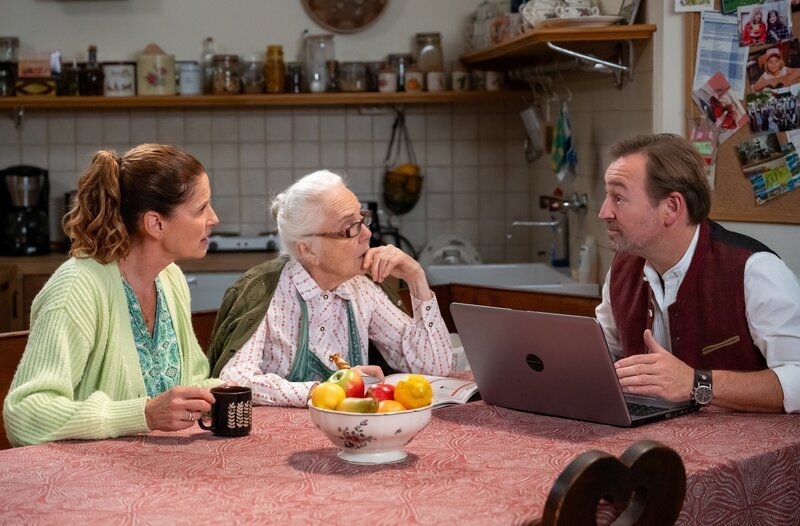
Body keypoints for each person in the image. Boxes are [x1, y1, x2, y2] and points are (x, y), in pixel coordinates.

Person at [4, 144, 222, 446]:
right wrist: (143, 414)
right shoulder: (77, 287)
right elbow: (25, 414)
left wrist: (227, 389)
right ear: (156, 224)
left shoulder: (170, 278)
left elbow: (189, 383)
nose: (214, 218)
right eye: (201, 209)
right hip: (87, 482)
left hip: (152, 474)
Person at [208, 170, 452, 406]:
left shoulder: (361, 290)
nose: (367, 233)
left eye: (362, 219)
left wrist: (416, 278)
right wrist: (323, 390)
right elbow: (235, 378)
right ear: (308, 250)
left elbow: (434, 367)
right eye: (350, 227)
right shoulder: (264, 292)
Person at [595, 134, 800, 413]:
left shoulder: (755, 270)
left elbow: (797, 378)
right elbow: (601, 354)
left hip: (745, 450)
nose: (604, 212)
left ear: (671, 207)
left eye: (618, 198)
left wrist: (697, 383)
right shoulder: (622, 269)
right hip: (653, 444)